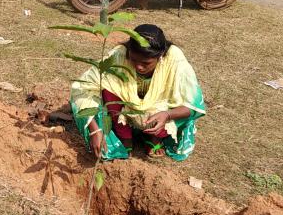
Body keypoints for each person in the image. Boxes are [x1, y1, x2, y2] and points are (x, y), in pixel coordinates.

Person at [70, 24, 206, 161]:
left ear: (160, 56)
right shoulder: (119, 55)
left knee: (182, 108)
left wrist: (168, 114)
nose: (139, 67)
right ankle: (125, 137)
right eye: (134, 60)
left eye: (146, 63)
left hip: (160, 113)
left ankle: (154, 138)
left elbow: (193, 105)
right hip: (125, 111)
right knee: (107, 87)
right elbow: (83, 88)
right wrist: (94, 129)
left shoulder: (175, 60)